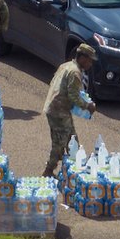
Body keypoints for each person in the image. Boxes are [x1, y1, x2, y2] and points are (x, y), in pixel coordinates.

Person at [42, 43, 97, 177]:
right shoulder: (75, 72)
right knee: (60, 143)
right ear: (82, 58)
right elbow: (73, 96)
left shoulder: (66, 65)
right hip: (58, 112)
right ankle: (48, 171)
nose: (90, 64)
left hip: (58, 109)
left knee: (72, 139)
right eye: (90, 60)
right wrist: (87, 106)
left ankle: (75, 170)